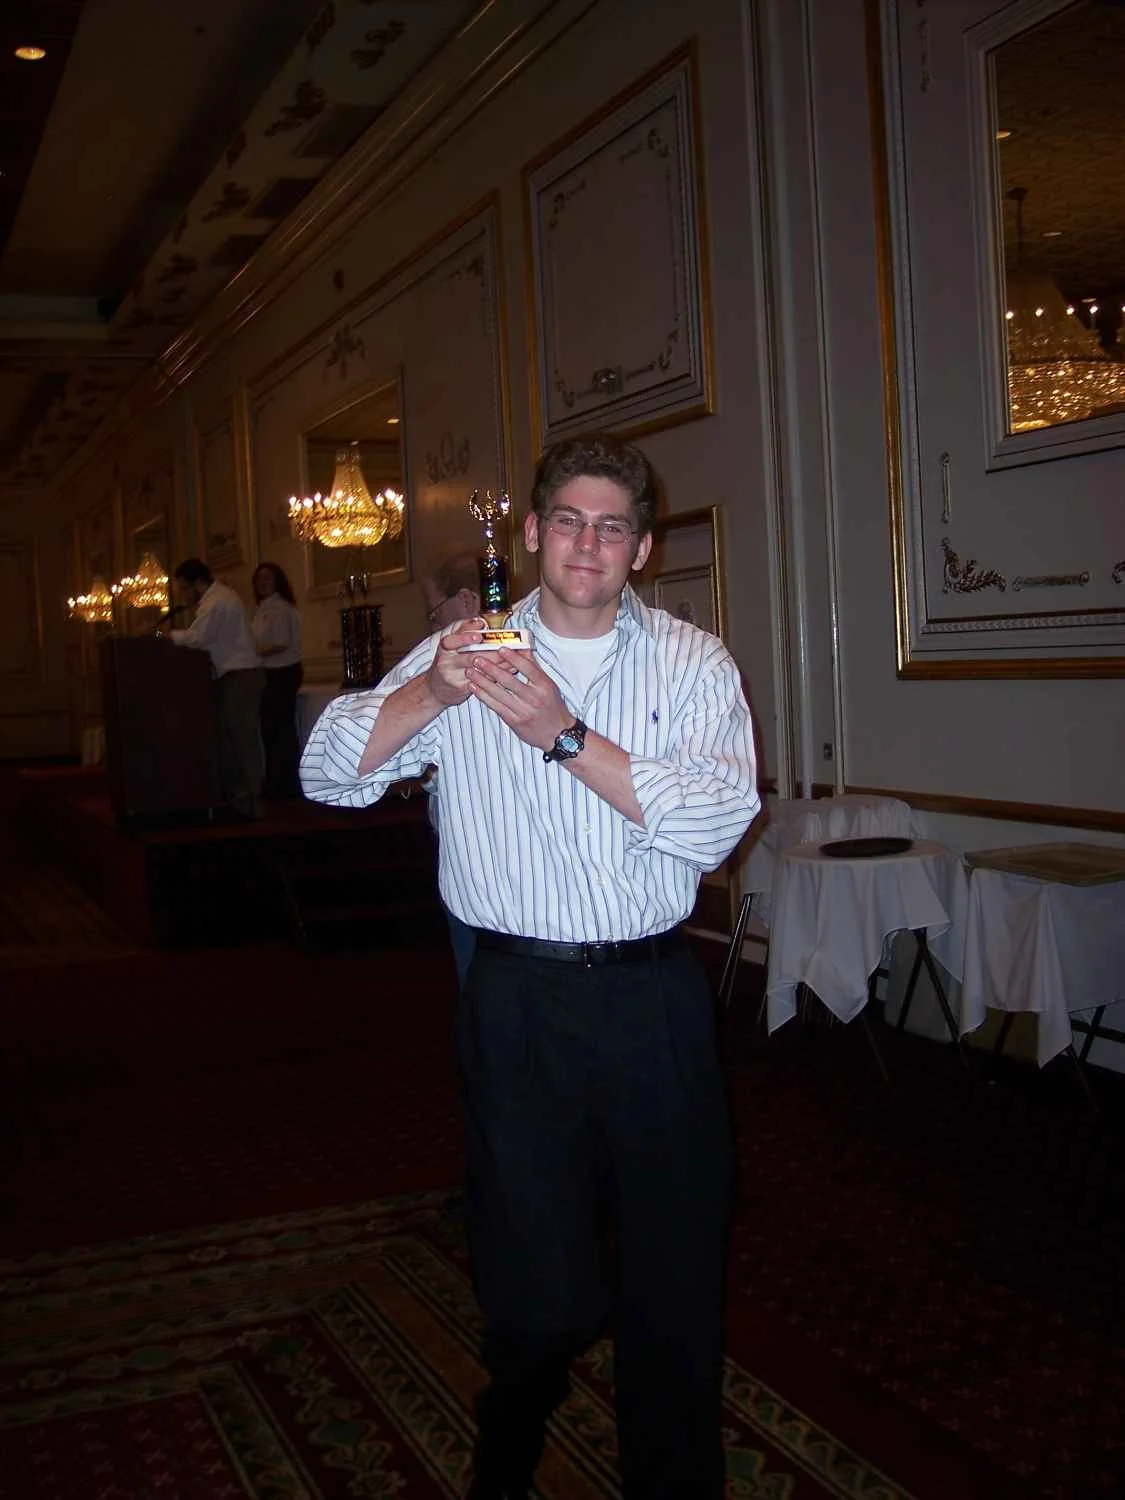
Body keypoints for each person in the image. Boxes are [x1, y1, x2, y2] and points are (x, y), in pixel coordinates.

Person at [300, 433, 760, 1499]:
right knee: (538, 1291)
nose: (587, 545)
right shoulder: (462, 654)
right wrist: (431, 695)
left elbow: (714, 823)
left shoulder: (694, 662)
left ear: (641, 548)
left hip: (652, 999)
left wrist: (563, 734)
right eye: (568, 522)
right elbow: (326, 775)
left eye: (611, 527)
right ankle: (512, 1426)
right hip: (516, 1000)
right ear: (534, 533)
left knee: (676, 1276)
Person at [418, 550, 483, 990]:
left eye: (434, 611)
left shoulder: (468, 667)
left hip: (475, 853)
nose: (432, 623)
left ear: (466, 600)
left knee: (476, 978)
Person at [168, 558, 265, 821]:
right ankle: (240, 801)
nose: (183, 596)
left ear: (197, 583)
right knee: (231, 742)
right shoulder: (217, 599)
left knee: (242, 741)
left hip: (241, 677)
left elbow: (197, 638)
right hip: (233, 677)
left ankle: (251, 803)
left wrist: (166, 636)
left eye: (184, 588)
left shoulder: (217, 601)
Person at [251, 561, 303, 800]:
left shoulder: (281, 608)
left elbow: (280, 643)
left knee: (280, 729)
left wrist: (250, 653)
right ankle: (278, 781)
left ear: (277, 581)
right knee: (272, 729)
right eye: (259, 579)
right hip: (271, 673)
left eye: (267, 578)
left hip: (282, 673)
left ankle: (286, 784)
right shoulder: (263, 608)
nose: (262, 583)